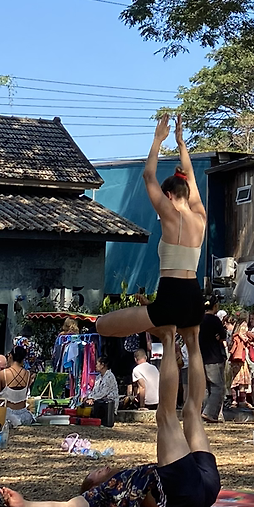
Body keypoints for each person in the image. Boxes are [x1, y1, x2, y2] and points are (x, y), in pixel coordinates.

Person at [1, 321, 220, 507]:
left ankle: (193, 337)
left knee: (192, 411)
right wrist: (25, 504)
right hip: (180, 493)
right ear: (95, 486)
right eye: (96, 473)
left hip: (206, 487)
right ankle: (168, 337)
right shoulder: (103, 493)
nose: (103, 467)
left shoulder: (126, 477)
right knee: (165, 415)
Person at [95, 115, 206, 345]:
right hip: (195, 293)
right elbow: (192, 180)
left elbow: (148, 176)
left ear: (168, 196)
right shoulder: (200, 218)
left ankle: (164, 334)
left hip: (171, 292)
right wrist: (181, 144)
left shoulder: (170, 214)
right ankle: (165, 334)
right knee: (193, 346)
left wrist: (158, 140)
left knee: (102, 325)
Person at [198, 298, 228, 422]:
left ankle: (204, 411)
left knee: (206, 387)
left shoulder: (199, 320)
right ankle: (209, 413)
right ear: (215, 306)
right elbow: (223, 336)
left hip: (200, 357)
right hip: (214, 357)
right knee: (218, 387)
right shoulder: (215, 320)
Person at [0, 343, 33, 426]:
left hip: (7, 416)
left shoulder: (2, 374)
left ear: (10, 356)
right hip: (24, 416)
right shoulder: (28, 374)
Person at [91, 360, 120, 429]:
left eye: (97, 364)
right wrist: (89, 397)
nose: (95, 366)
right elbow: (95, 390)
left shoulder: (110, 376)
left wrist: (92, 398)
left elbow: (103, 392)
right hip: (100, 400)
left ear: (102, 365)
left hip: (108, 401)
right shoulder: (98, 377)